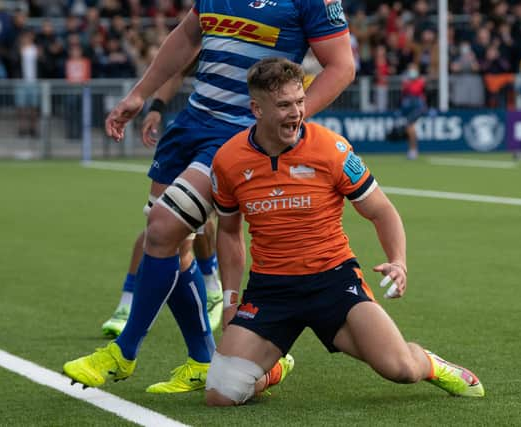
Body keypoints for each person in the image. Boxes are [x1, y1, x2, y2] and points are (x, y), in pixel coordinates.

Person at [63, 0, 355, 394]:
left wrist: (287, 121)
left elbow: (341, 66)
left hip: (234, 136)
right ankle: (202, 359)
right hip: (191, 123)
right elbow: (187, 36)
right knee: (170, 242)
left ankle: (123, 352)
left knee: (163, 227)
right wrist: (141, 94)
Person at [205, 57, 484, 406]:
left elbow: (382, 211)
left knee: (399, 369)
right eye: (284, 105)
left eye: (299, 102)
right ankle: (274, 366)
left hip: (333, 282)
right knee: (221, 394)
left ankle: (431, 364)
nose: (295, 113)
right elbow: (229, 234)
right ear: (256, 109)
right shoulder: (228, 160)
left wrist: (398, 261)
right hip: (271, 289)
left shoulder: (331, 149)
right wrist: (231, 301)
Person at [100, 59, 224, 339]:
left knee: (200, 219)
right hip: (191, 128)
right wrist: (156, 107)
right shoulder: (207, 21)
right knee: (157, 221)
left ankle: (212, 285)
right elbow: (177, 67)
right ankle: (127, 304)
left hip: (229, 133)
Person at [400, 63, 426, 160]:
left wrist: (408, 84)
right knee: (410, 128)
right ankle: (412, 150)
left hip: (418, 108)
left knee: (410, 127)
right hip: (410, 109)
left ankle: (413, 150)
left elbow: (415, 91)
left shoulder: (419, 82)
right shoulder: (407, 82)